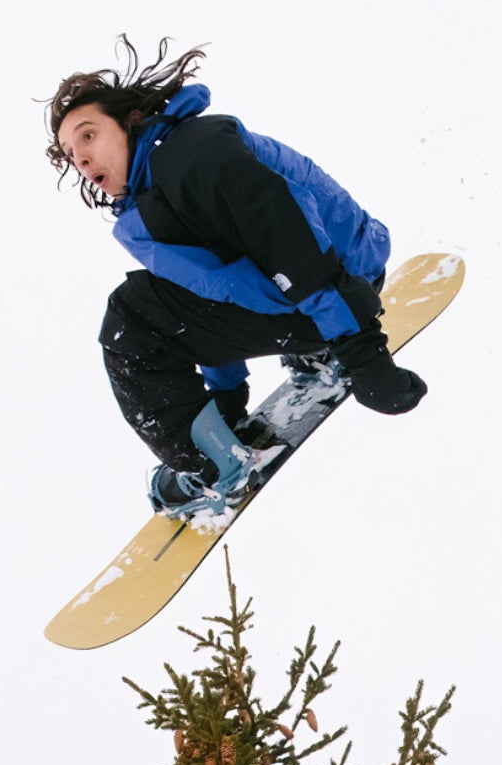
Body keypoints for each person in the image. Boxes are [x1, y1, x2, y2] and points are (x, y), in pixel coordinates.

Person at [45, 39, 426, 521]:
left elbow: (289, 235)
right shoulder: (155, 195)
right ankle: (225, 429)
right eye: (69, 153)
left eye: (87, 135)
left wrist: (364, 356)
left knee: (131, 322)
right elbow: (210, 287)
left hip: (340, 279)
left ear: (130, 122)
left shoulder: (192, 155)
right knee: (147, 306)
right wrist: (226, 400)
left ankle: (214, 466)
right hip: (316, 297)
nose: (80, 158)